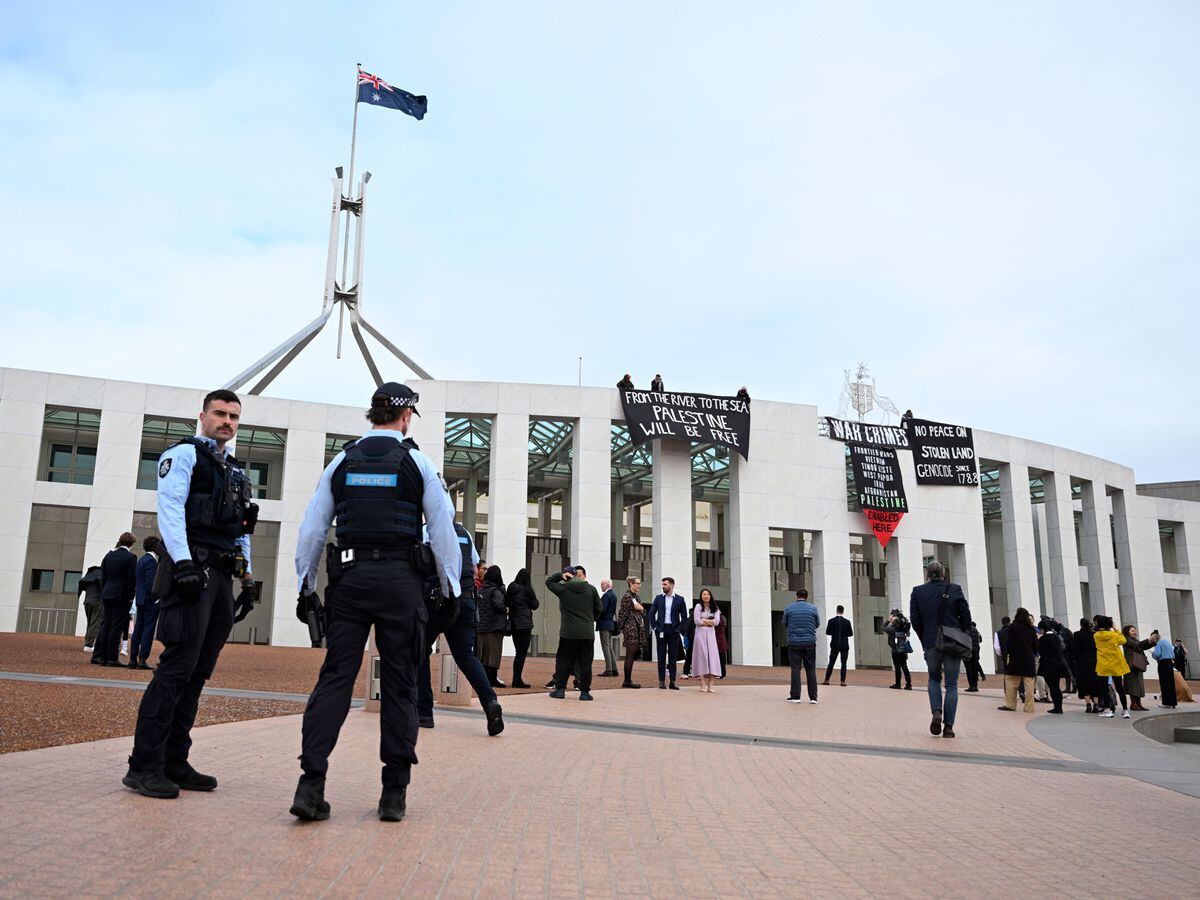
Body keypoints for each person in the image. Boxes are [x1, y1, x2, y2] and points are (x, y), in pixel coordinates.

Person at [290, 382, 459, 823]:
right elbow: (442, 531)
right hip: (401, 583)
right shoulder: (417, 462)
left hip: (350, 581)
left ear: (372, 415)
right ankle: (393, 794)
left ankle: (310, 785)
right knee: (401, 683)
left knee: (335, 679)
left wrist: (306, 583)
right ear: (406, 418)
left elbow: (312, 527)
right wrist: (451, 586)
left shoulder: (341, 462)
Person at [124, 389, 258, 800]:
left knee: (199, 670)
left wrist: (247, 576)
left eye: (234, 416)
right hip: (191, 571)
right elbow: (170, 506)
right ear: (202, 416)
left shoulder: (233, 469)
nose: (227, 421)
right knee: (177, 665)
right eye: (220, 413)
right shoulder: (182, 455)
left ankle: (175, 760)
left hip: (220, 575)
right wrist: (182, 563)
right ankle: (144, 765)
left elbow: (240, 527)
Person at [417, 521, 503, 736]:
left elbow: (418, 561)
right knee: (465, 655)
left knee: (418, 650)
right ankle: (490, 701)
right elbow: (475, 568)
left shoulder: (428, 529)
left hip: (434, 599)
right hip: (464, 600)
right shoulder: (464, 532)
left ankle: (424, 712)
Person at [909, 560, 972, 739]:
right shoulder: (955, 589)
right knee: (951, 684)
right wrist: (963, 633)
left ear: (927, 575)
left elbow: (915, 620)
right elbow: (966, 616)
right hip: (952, 641)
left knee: (934, 678)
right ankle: (949, 727)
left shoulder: (918, 592)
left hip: (931, 642)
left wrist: (925, 639)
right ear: (943, 574)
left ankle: (936, 711)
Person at [546, 566, 602, 700]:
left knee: (564, 661)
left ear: (569, 576)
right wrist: (590, 620)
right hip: (587, 632)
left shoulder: (564, 589)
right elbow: (599, 609)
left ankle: (560, 690)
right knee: (585, 663)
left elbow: (549, 582)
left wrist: (560, 575)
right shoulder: (591, 589)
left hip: (568, 632)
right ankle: (584, 692)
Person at [91, 533, 138, 667]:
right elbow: (131, 580)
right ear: (132, 544)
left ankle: (100, 656)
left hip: (107, 593)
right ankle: (112, 658)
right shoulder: (131, 557)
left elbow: (103, 576)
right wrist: (130, 596)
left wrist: (104, 591)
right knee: (116, 626)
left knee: (105, 624)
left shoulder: (109, 555)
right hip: (121, 596)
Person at [127, 535, 161, 670]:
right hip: (150, 600)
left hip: (140, 599)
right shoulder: (151, 562)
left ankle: (132, 659)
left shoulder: (141, 560)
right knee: (148, 629)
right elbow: (151, 583)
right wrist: (157, 598)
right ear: (154, 546)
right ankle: (142, 659)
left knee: (138, 629)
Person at [782, 588, 820, 704]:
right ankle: (813, 697)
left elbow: (784, 623)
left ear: (796, 596)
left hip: (794, 642)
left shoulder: (789, 608)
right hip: (809, 642)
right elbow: (817, 624)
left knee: (795, 669)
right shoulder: (813, 608)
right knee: (811, 670)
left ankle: (795, 696)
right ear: (807, 596)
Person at [997, 607, 1038, 714]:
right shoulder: (1031, 629)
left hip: (1015, 659)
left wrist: (1011, 653)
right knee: (1029, 684)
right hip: (1028, 659)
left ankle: (1010, 704)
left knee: (1011, 681)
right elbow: (1036, 645)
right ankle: (1029, 708)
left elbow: (1009, 644)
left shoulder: (1012, 627)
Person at [651, 577, 688, 690]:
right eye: (662, 584)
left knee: (673, 657)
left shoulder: (680, 600)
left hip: (673, 630)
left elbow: (684, 616)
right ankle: (661, 681)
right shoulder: (658, 598)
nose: (663, 586)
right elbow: (651, 613)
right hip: (661, 630)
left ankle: (672, 681)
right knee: (661, 656)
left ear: (671, 585)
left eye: (665, 584)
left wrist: (679, 629)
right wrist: (655, 628)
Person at [505, 568, 539, 688]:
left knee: (517, 652)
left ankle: (516, 678)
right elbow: (535, 605)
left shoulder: (511, 587)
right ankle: (517, 679)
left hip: (514, 623)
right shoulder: (526, 589)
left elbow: (507, 602)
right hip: (525, 624)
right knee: (521, 653)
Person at [475, 565, 508, 688]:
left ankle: (482, 679)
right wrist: (507, 609)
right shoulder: (496, 591)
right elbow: (499, 605)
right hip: (494, 627)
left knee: (482, 656)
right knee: (493, 655)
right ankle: (492, 679)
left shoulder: (481, 589)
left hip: (481, 626)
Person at [1093, 616, 1129, 718]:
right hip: (1116, 663)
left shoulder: (1096, 635)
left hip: (1103, 664)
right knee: (1119, 688)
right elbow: (1124, 640)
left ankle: (1108, 710)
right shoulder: (1114, 635)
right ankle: (1125, 710)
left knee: (1104, 688)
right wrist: (1116, 629)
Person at [616, 576, 647, 688]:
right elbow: (622, 614)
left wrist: (641, 608)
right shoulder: (627, 597)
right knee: (630, 654)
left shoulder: (636, 597)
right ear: (631, 584)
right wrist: (621, 628)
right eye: (637, 583)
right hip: (630, 629)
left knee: (632, 654)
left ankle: (628, 680)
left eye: (639, 583)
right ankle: (627, 681)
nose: (639, 585)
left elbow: (643, 612)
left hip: (637, 628)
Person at [690, 589, 722, 693]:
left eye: (708, 594)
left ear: (710, 596)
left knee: (712, 657)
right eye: (704, 594)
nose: (706, 596)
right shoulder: (698, 606)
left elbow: (717, 622)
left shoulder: (715, 608)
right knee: (702, 657)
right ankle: (702, 683)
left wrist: (704, 620)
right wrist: (709, 622)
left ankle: (711, 684)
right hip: (700, 635)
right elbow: (696, 621)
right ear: (701, 596)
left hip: (711, 636)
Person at [1037, 618, 1069, 714]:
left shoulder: (1042, 639)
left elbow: (1040, 652)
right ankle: (1059, 707)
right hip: (1058, 664)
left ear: (1042, 629)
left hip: (1047, 665)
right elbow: (1063, 648)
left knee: (1053, 687)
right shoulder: (1057, 637)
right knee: (1056, 686)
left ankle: (1057, 708)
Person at [1072, 619, 1101, 713]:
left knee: (1084, 683)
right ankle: (1096, 704)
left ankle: (1088, 704)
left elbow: (1075, 649)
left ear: (1081, 625)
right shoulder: (1095, 634)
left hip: (1082, 662)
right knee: (1095, 683)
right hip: (1095, 661)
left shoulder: (1077, 634)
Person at [1121, 625, 1152, 712]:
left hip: (1137, 665)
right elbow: (1138, 645)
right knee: (1133, 685)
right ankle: (1133, 704)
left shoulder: (1134, 640)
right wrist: (1149, 639)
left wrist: (1152, 641)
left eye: (1135, 630)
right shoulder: (1126, 639)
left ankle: (1139, 704)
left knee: (1138, 685)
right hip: (1131, 665)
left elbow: (1142, 646)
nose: (1135, 632)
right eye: (1132, 631)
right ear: (1127, 632)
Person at [823, 604, 853, 686]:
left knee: (831, 662)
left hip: (835, 644)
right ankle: (842, 681)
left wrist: (834, 633)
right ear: (843, 611)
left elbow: (828, 632)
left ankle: (827, 680)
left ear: (836, 611)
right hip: (844, 645)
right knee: (844, 663)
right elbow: (850, 633)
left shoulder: (831, 621)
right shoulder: (847, 622)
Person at [884, 609, 912, 690]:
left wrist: (889, 620)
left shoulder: (891, 629)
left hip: (895, 651)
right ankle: (909, 684)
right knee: (904, 667)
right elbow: (908, 633)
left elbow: (883, 627)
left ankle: (898, 684)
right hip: (903, 650)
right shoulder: (903, 627)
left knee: (897, 667)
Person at [596, 578, 619, 677]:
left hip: (604, 623)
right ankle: (614, 669)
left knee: (605, 646)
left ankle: (609, 669)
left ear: (608, 585)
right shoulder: (613, 595)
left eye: (602, 584)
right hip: (610, 623)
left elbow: (602, 609)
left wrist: (595, 616)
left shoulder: (606, 596)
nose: (601, 586)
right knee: (609, 647)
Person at [1150, 630, 1177, 709]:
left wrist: (1153, 654)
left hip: (1163, 664)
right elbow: (1173, 654)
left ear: (1154, 638)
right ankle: (1173, 702)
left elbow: (1158, 654)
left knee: (1164, 683)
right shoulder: (1167, 642)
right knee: (1171, 683)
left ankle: (1166, 703)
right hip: (1170, 663)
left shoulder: (1158, 643)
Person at [79, 565, 103, 652]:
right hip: (97, 602)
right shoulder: (101, 574)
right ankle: (88, 645)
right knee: (95, 623)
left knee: (90, 623)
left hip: (87, 602)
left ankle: (87, 642)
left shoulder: (90, 575)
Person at [965, 621, 985, 691]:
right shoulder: (976, 631)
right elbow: (980, 640)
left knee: (969, 669)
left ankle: (971, 686)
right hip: (975, 652)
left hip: (968, 652)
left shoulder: (966, 630)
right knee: (974, 669)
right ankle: (976, 686)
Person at [714, 602, 730, 678]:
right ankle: (721, 673)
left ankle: (721, 674)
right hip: (720, 641)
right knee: (721, 658)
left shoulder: (720, 619)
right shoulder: (722, 618)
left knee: (721, 659)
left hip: (719, 641)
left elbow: (717, 623)